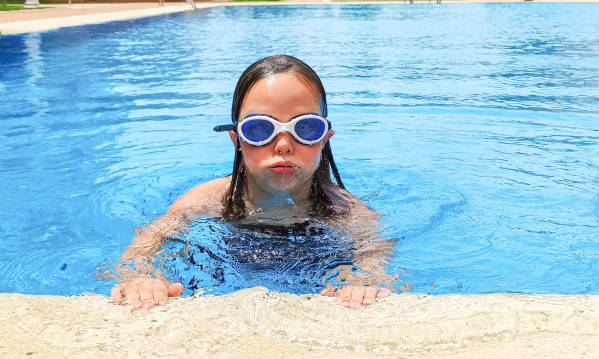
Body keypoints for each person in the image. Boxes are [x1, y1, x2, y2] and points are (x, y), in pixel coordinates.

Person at [111, 55, 394, 310]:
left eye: (306, 128)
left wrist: (363, 283)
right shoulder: (202, 202)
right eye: (260, 128)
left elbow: (376, 267)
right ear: (237, 140)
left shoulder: (349, 212)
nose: (283, 145)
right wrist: (143, 280)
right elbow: (137, 256)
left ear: (323, 140)